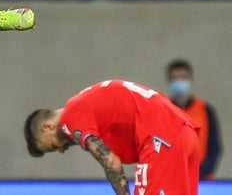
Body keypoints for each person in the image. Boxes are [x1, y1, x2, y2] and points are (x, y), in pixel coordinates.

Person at [23, 79, 200, 195]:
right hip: (184, 132)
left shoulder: (70, 119)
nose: (61, 150)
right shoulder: (85, 101)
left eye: (54, 146)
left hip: (161, 139)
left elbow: (111, 162)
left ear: (47, 127)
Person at [166, 58, 223, 180]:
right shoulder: (163, 110)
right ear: (169, 80)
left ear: (190, 78)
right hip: (170, 179)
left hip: (202, 180)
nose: (179, 82)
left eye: (183, 77)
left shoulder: (206, 110)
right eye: (175, 78)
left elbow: (215, 147)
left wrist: (199, 172)